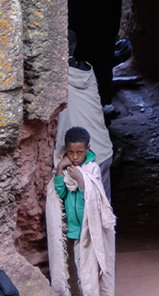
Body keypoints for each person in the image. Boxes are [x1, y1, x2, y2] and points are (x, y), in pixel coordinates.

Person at [46, 126, 116, 296]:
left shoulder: (92, 168)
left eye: (79, 152)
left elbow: (95, 196)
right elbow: (59, 194)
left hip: (92, 231)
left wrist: (81, 179)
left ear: (88, 149)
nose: (75, 157)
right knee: (82, 270)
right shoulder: (65, 169)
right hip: (75, 230)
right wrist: (60, 169)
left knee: (96, 269)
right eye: (71, 152)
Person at [56, 30, 113, 203]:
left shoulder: (58, 78)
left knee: (81, 210)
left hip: (81, 156)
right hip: (102, 151)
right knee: (103, 208)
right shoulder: (88, 71)